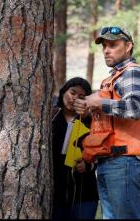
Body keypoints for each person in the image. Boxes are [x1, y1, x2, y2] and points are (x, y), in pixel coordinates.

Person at [74, 26, 140, 219]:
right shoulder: (111, 78)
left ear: (128, 46)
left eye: (113, 45)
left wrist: (99, 102)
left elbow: (135, 108)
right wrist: (89, 107)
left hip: (125, 162)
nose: (106, 50)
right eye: (104, 46)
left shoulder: (132, 73)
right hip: (110, 161)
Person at [52, 77, 99, 219]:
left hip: (84, 193)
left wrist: (89, 165)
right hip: (55, 193)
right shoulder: (51, 117)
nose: (74, 99)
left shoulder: (92, 123)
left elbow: (100, 153)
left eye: (81, 97)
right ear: (63, 91)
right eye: (72, 93)